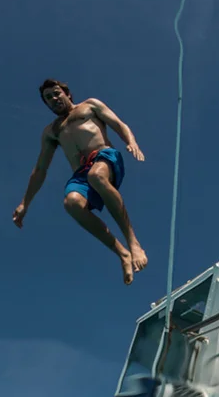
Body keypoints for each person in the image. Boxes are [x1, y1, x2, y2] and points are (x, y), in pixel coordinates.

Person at [11, 78, 147, 284]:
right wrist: (24, 203)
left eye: (56, 93)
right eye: (48, 98)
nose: (54, 99)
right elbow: (40, 170)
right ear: (46, 104)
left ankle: (133, 243)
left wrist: (131, 141)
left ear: (67, 94)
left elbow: (119, 124)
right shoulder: (51, 131)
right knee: (71, 203)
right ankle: (122, 253)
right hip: (81, 173)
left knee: (96, 176)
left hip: (105, 157)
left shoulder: (90, 105)